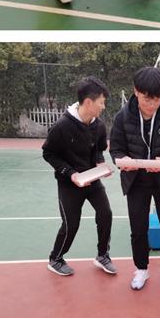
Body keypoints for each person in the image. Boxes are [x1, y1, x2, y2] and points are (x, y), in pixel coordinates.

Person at [109, 67, 160, 290]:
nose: (152, 104)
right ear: (136, 91)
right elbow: (115, 148)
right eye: (147, 99)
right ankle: (141, 269)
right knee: (138, 227)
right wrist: (122, 159)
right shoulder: (122, 117)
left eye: (158, 99)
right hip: (136, 181)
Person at [43, 76, 116, 277]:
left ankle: (103, 255)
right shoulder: (61, 126)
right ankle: (56, 259)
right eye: (101, 102)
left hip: (92, 180)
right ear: (88, 102)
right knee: (71, 224)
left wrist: (100, 164)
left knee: (106, 213)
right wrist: (71, 173)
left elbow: (98, 150)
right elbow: (49, 154)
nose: (103, 107)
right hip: (69, 183)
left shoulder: (98, 126)